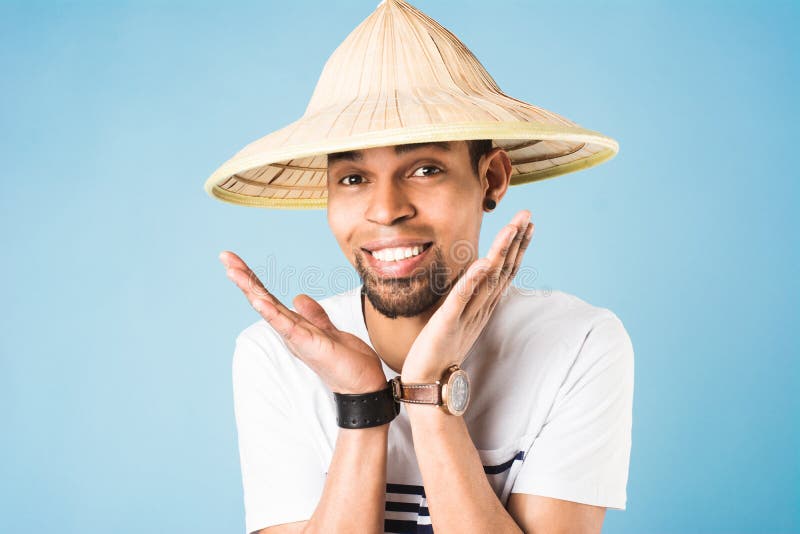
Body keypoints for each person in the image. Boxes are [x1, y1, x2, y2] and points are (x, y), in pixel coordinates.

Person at [206, 2, 633, 533]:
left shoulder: (578, 344)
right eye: (354, 178)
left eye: (425, 168)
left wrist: (431, 395)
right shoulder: (276, 357)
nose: (386, 210)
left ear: (492, 178)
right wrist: (363, 404)